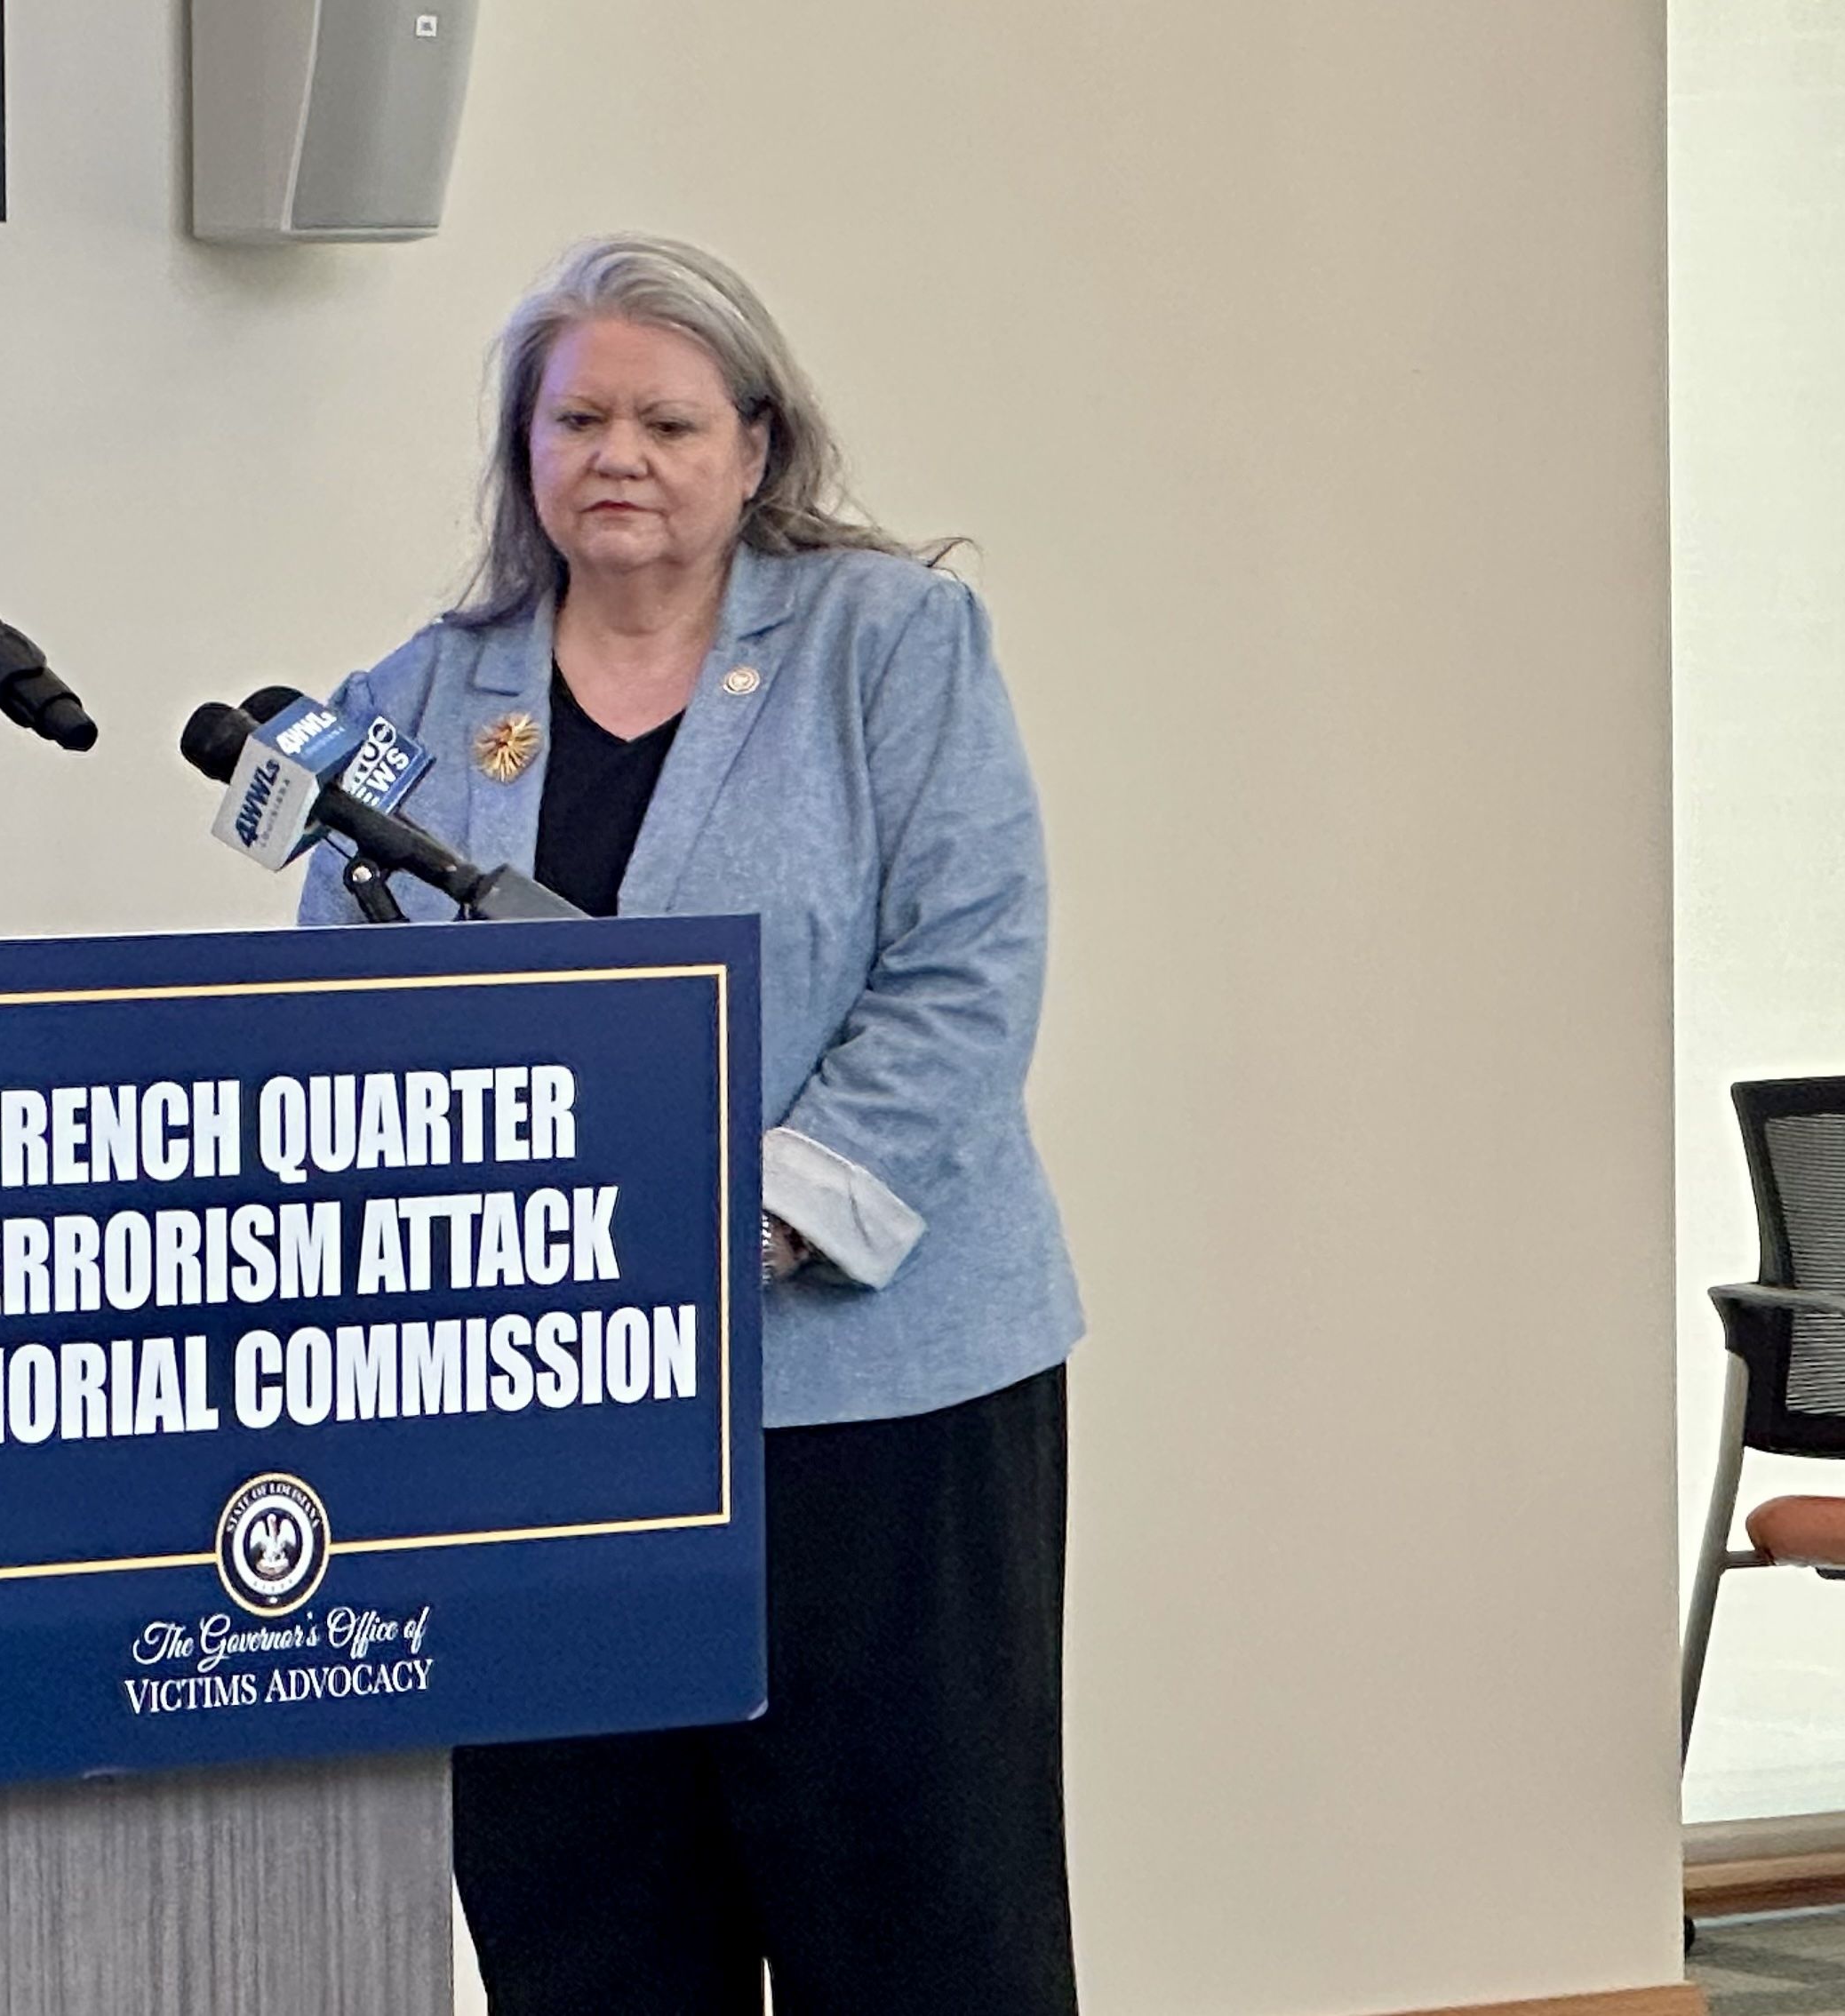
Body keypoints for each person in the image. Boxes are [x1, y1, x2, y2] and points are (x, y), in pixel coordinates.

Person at [301, 235, 1083, 2013]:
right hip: (546, 1419)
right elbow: (341, 1003)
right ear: (527, 451)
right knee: (588, 1913)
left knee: (916, 1919)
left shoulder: (888, 641)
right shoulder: (423, 693)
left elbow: (968, 968)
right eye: (577, 418)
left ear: (754, 444)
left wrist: (765, 1211)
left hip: (869, 1395)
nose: (618, 456)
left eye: (666, 419)